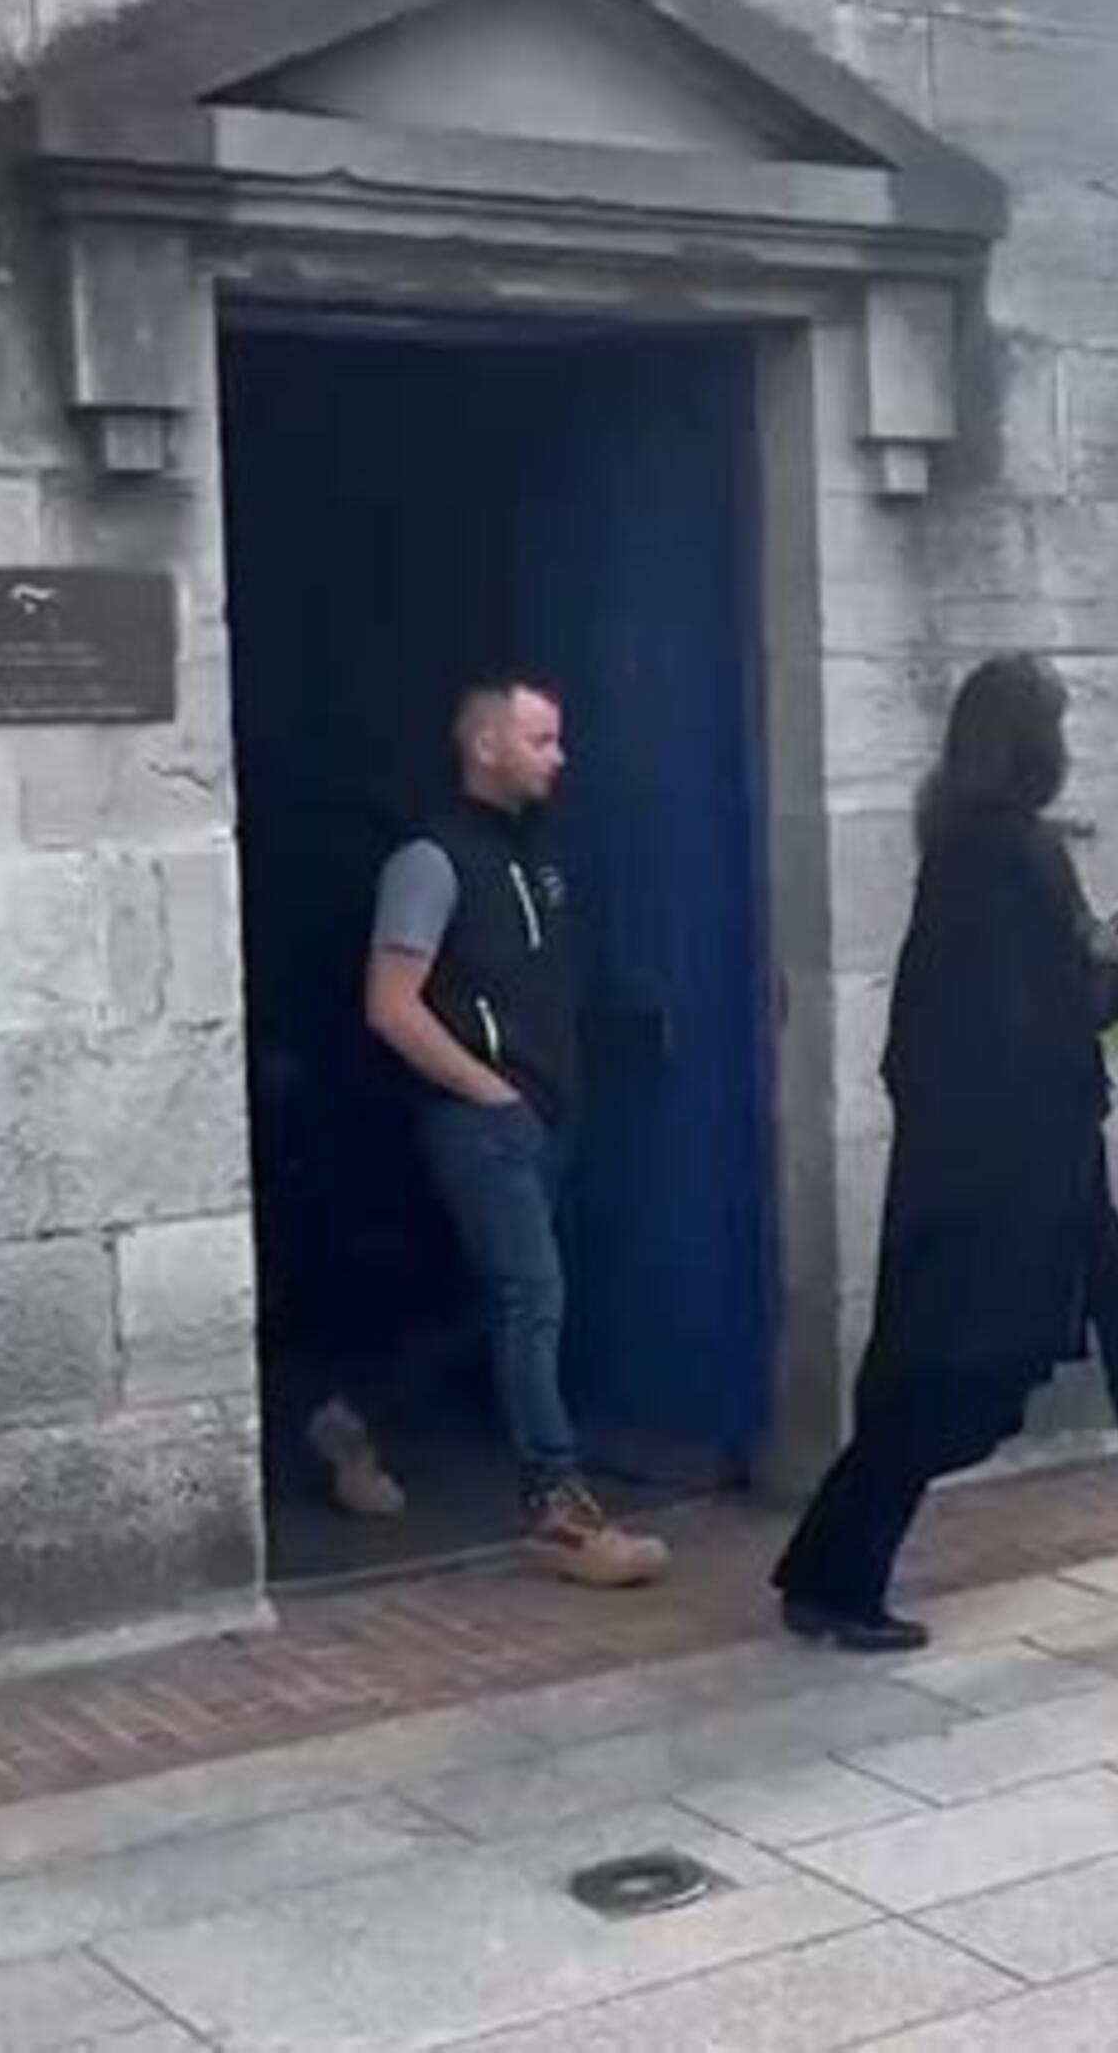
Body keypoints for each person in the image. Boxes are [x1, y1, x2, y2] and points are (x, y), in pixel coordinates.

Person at [772, 654, 1118, 1652]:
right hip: (1014, 1181)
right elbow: (1039, 1020)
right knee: (945, 1381)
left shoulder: (968, 849)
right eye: (1059, 728)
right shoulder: (1010, 856)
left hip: (1008, 1168)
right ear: (1030, 746)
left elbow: (1010, 1002)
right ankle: (830, 1579)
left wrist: (1107, 961)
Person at [363, 680, 669, 1586]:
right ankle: (555, 1505)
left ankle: (352, 1416)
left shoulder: (538, 859)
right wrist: (488, 1093)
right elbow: (390, 1005)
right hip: (482, 1124)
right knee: (531, 1295)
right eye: (541, 739)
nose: (559, 757)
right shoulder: (429, 860)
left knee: (505, 1298)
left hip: (545, 1119)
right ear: (487, 745)